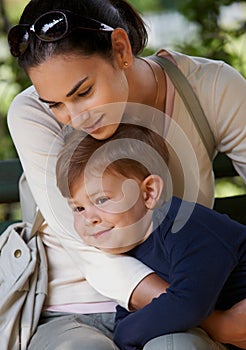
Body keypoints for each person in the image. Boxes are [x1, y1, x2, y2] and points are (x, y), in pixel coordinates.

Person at [6, 0, 246, 348]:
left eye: (84, 92)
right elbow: (88, 249)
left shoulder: (208, 88)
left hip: (184, 298)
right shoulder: (30, 114)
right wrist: (215, 322)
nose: (75, 117)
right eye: (55, 104)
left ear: (120, 49)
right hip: (74, 310)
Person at [56, 122, 246, 350]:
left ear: (149, 193)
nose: (90, 218)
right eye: (78, 208)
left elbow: (189, 305)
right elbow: (134, 317)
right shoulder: (131, 251)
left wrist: (124, 336)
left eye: (102, 200)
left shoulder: (185, 226)